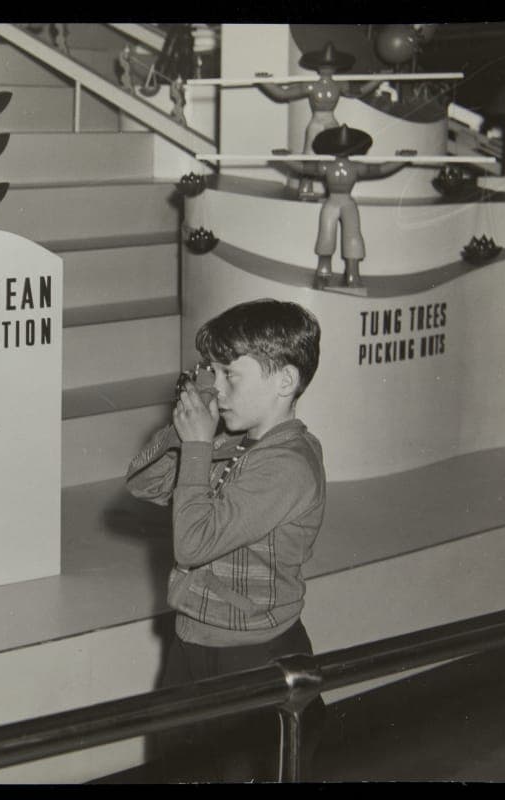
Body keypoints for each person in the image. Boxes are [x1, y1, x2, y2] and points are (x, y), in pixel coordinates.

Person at [126, 299, 326, 782]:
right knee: (181, 768)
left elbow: (193, 544)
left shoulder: (289, 464)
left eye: (229, 375)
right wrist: (186, 432)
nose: (216, 387)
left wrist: (197, 446)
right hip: (194, 639)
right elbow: (144, 483)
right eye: (210, 372)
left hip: (253, 651)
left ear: (285, 382)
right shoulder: (236, 443)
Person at [273, 125, 415, 290]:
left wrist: (401, 160)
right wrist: (286, 158)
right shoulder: (326, 167)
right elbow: (303, 167)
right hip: (332, 202)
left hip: (346, 202)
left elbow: (381, 169)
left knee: (353, 237)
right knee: (326, 235)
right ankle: (323, 269)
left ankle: (353, 273)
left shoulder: (356, 167)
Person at [254, 41, 382, 198]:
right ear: (317, 65)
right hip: (316, 122)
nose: (327, 68)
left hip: (330, 121)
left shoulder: (340, 85)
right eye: (324, 64)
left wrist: (378, 79)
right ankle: (305, 186)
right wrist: (266, 83)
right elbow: (282, 93)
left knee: (336, 154)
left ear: (337, 66)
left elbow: (359, 91)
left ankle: (332, 191)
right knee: (308, 155)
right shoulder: (311, 86)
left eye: (331, 65)